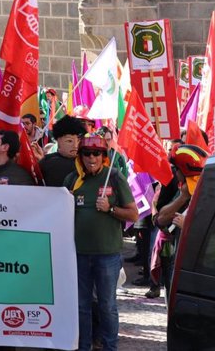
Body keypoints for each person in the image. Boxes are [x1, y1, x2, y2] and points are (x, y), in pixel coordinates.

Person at [62, 134, 139, 351]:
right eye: (87, 153)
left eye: (96, 153)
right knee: (81, 306)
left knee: (107, 305)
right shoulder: (72, 180)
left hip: (107, 255)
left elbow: (133, 214)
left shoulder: (114, 177)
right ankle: (84, 346)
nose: (91, 157)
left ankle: (109, 347)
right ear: (81, 157)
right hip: (79, 254)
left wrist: (111, 209)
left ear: (104, 156)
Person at [152, 144, 208, 304]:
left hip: (198, 262)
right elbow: (160, 220)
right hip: (174, 257)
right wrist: (182, 197)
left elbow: (214, 229)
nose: (174, 172)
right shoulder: (170, 184)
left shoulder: (208, 189)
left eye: (176, 169)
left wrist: (188, 227)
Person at [39, 115, 86, 187]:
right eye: (69, 141)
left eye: (78, 141)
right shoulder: (46, 162)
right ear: (58, 140)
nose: (75, 146)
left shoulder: (86, 162)